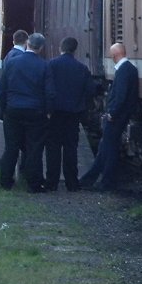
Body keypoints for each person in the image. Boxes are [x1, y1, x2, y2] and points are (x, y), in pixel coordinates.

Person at [79, 43, 139, 191]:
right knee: (105, 147)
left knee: (109, 148)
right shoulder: (130, 69)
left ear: (115, 55)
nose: (111, 58)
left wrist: (112, 113)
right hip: (121, 115)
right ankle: (89, 179)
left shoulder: (123, 71)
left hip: (117, 117)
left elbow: (120, 96)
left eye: (112, 55)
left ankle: (106, 182)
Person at [0, 33, 49, 192]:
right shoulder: (44, 65)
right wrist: (47, 111)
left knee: (11, 147)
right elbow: (49, 92)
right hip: (35, 112)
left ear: (27, 44)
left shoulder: (11, 63)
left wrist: (5, 108)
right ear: (40, 48)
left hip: (13, 110)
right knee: (34, 148)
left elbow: (0, 89)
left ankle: (5, 182)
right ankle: (34, 184)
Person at [44, 37, 95, 192]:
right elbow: (90, 91)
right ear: (75, 50)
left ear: (61, 48)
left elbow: (46, 88)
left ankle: (51, 182)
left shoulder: (51, 65)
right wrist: (81, 105)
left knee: (53, 148)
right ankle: (72, 182)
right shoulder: (82, 68)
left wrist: (48, 109)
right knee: (71, 148)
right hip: (73, 114)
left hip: (54, 113)